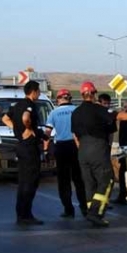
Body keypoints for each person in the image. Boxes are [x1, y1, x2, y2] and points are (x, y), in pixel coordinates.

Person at [2, 80, 49, 226]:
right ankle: (26, 215)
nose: (39, 93)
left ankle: (21, 214)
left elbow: (5, 118)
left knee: (23, 182)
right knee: (30, 182)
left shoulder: (17, 105)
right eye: (39, 91)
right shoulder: (29, 105)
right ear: (34, 92)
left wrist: (17, 130)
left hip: (21, 146)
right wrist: (27, 129)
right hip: (29, 148)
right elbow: (26, 118)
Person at [71, 81, 118, 227]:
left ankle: (91, 211)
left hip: (83, 150)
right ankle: (96, 213)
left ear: (82, 94)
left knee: (89, 183)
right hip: (97, 148)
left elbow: (75, 135)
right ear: (93, 94)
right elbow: (117, 117)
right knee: (107, 180)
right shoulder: (98, 110)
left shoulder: (76, 112)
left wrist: (81, 148)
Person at [44, 89, 88, 219]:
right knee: (79, 179)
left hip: (62, 147)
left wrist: (46, 149)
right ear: (70, 98)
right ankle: (84, 208)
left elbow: (47, 132)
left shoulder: (53, 112)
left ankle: (68, 209)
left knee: (64, 181)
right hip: (77, 146)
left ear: (58, 100)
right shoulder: (78, 110)